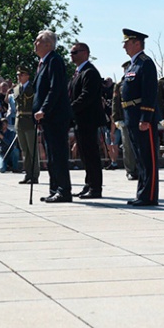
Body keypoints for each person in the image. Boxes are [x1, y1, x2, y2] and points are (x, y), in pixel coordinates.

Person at [32, 29, 73, 203]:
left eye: (38, 41)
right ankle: (54, 187)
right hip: (48, 118)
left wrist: (44, 109)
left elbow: (55, 89)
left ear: (49, 44)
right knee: (51, 154)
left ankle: (64, 190)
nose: (35, 44)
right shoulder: (44, 62)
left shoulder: (55, 61)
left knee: (58, 154)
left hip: (55, 116)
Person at [121, 28, 160, 206]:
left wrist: (145, 117)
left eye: (127, 43)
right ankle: (142, 193)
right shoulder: (132, 65)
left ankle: (149, 195)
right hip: (131, 115)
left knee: (148, 157)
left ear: (137, 43)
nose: (124, 47)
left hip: (142, 117)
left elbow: (149, 92)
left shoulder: (146, 63)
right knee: (140, 158)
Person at [68, 42, 106, 198]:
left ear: (85, 53)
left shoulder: (90, 72)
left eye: (75, 52)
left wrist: (69, 109)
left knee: (91, 154)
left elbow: (86, 96)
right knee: (84, 154)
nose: (72, 55)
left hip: (88, 120)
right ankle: (89, 183)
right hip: (80, 120)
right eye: (71, 52)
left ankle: (95, 188)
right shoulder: (78, 72)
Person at [112, 61, 138, 180]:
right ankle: (130, 170)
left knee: (138, 144)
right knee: (127, 146)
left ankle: (140, 169)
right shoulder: (119, 84)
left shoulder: (138, 81)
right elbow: (115, 102)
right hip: (125, 117)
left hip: (137, 117)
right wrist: (116, 118)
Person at [14, 65, 38, 185]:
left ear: (27, 76)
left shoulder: (33, 87)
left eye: (21, 75)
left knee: (32, 150)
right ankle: (28, 173)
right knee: (24, 150)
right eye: (18, 75)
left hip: (30, 120)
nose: (19, 77)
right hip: (20, 121)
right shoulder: (16, 89)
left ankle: (34, 174)